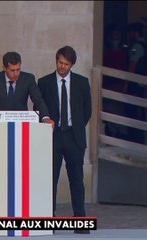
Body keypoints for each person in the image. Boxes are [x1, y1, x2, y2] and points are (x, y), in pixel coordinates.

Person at [37, 46, 91, 234]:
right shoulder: (43, 82)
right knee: (49, 179)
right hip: (52, 136)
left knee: (76, 180)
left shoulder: (82, 83)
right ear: (56, 60)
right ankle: (49, 220)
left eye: (66, 64)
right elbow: (39, 107)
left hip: (74, 137)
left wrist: (74, 126)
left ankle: (80, 221)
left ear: (72, 65)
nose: (62, 66)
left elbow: (87, 111)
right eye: (60, 62)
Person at [0, 51, 54, 127]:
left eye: (18, 70)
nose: (16, 74)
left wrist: (45, 118)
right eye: (12, 70)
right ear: (4, 68)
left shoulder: (28, 79)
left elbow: (38, 99)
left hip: (21, 125)